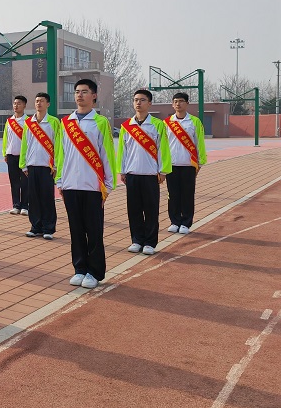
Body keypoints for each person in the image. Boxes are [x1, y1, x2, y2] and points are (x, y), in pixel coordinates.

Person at [55, 79, 116, 289]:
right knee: (76, 230)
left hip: (93, 186)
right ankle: (80, 268)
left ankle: (95, 271)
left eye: (85, 92)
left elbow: (107, 153)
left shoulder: (100, 122)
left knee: (94, 230)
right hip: (71, 185)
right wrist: (60, 180)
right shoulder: (66, 123)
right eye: (77, 92)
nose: (80, 95)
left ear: (94, 96)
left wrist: (108, 184)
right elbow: (61, 153)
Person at [118, 89, 172, 256]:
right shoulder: (126, 126)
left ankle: (149, 242)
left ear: (149, 103)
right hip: (132, 174)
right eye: (135, 100)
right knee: (133, 209)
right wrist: (122, 170)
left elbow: (162, 149)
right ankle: (136, 240)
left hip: (150, 174)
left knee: (150, 209)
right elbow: (122, 150)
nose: (138, 103)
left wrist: (163, 170)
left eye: (142, 100)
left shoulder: (158, 125)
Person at [20, 92, 61, 240]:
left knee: (47, 197)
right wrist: (23, 165)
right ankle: (35, 226)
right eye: (37, 101)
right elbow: (25, 144)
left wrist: (56, 165)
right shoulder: (29, 123)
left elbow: (58, 145)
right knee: (33, 198)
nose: (38, 103)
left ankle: (48, 228)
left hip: (47, 166)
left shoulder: (54, 122)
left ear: (48, 104)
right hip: (31, 165)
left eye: (42, 101)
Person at [165, 92, 207, 234]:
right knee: (173, 194)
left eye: (181, 101)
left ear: (187, 103)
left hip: (188, 165)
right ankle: (175, 221)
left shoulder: (194, 122)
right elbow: (162, 145)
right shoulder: (166, 123)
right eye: (175, 101)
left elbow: (199, 143)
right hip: (171, 165)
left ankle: (186, 222)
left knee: (187, 194)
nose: (178, 104)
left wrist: (200, 163)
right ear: (172, 104)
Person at [3, 96, 29, 216]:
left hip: (24, 157)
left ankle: (25, 206)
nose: (16, 105)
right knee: (14, 182)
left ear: (24, 105)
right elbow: (5, 139)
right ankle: (16, 205)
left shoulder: (28, 122)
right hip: (11, 156)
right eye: (14, 103)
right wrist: (5, 153)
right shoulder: (9, 121)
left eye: (19, 103)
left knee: (25, 182)